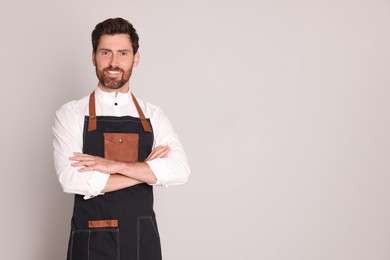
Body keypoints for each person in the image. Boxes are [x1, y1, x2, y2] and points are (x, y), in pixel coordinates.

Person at [53, 17, 190, 260]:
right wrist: (146, 171)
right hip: (91, 242)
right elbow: (71, 179)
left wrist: (113, 166)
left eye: (123, 53)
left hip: (142, 241)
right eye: (106, 52)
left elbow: (180, 171)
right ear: (93, 56)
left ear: (135, 59)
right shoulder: (71, 113)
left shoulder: (153, 115)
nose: (114, 62)